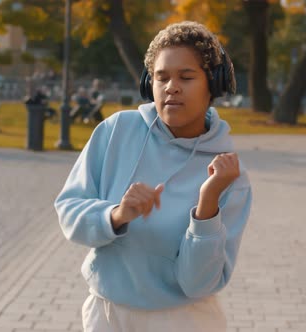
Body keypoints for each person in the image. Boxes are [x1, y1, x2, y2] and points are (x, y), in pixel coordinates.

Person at [54, 21, 252, 332]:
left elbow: (198, 284)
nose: (172, 87)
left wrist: (207, 205)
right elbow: (69, 211)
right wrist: (116, 215)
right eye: (161, 78)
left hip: (186, 321)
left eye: (186, 77)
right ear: (149, 85)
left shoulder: (229, 177)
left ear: (213, 85)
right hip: (108, 315)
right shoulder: (115, 131)